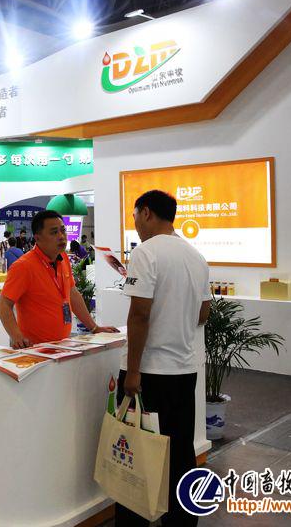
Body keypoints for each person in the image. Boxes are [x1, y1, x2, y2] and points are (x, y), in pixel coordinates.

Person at [117, 190, 211, 527]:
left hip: (150, 374)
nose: (135, 224)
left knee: (137, 452)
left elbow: (139, 314)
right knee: (181, 452)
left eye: (134, 216)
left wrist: (133, 371)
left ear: (146, 213)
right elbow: (203, 313)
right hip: (184, 371)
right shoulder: (195, 256)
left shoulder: (145, 252)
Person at [0, 210, 115, 348]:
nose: (61, 236)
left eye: (63, 230)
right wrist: (16, 336)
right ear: (38, 238)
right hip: (34, 349)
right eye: (54, 232)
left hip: (61, 346)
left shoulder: (63, 258)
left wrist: (94, 328)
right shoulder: (23, 266)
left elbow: (73, 293)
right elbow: (3, 305)